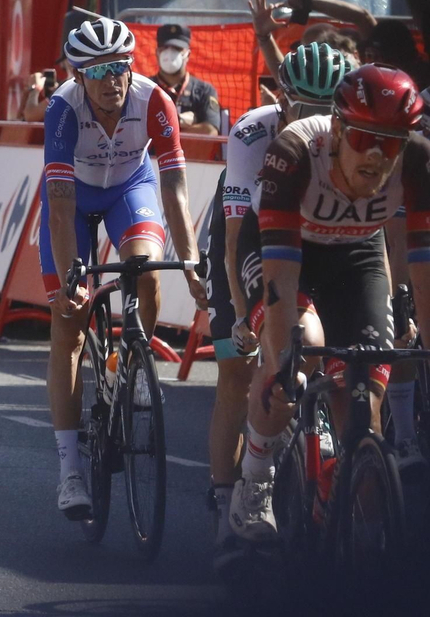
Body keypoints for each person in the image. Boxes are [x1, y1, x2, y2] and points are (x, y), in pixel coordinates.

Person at [229, 64, 430, 542]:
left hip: (355, 257)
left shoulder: (419, 161)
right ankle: (255, 480)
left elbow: (422, 273)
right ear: (337, 129)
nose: (379, 157)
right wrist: (280, 359)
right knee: (298, 358)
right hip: (284, 247)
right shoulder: (295, 152)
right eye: (364, 139)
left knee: (364, 408)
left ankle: (351, 515)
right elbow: (279, 280)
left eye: (392, 142)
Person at [40, 17, 205, 518]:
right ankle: (70, 471)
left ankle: (132, 363)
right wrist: (72, 273)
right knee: (67, 325)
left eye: (122, 68)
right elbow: (63, 205)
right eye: (101, 71)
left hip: (130, 190)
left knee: (146, 268)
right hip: (76, 200)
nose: (114, 80)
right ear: (78, 75)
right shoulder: (62, 110)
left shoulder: (155, 100)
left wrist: (192, 258)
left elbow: (175, 186)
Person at [199, 41, 345, 571]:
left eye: (326, 110)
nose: (314, 122)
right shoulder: (252, 134)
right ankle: (225, 508)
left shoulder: (342, 137)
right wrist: (241, 312)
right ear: (281, 101)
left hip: (314, 241)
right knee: (237, 372)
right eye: (303, 109)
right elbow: (236, 234)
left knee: (318, 341)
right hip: (251, 238)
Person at [150, 23, 221, 135]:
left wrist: (160, 128)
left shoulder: (204, 90)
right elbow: (137, 131)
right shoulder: (144, 88)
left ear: (187, 55)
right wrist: (179, 121)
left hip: (190, 153)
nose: (169, 54)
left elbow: (210, 131)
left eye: (177, 49)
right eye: (164, 48)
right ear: (157, 53)